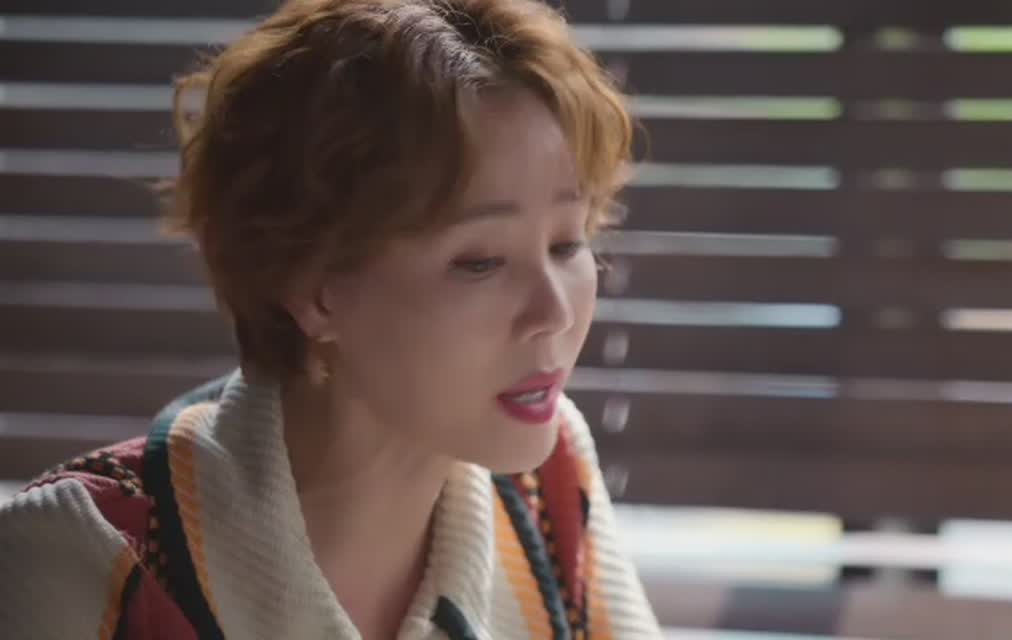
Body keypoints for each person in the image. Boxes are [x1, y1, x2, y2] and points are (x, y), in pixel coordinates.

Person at [0, 0, 661, 637]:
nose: (554, 313)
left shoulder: (547, 477)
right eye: (481, 261)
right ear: (313, 287)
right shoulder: (81, 557)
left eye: (567, 243)